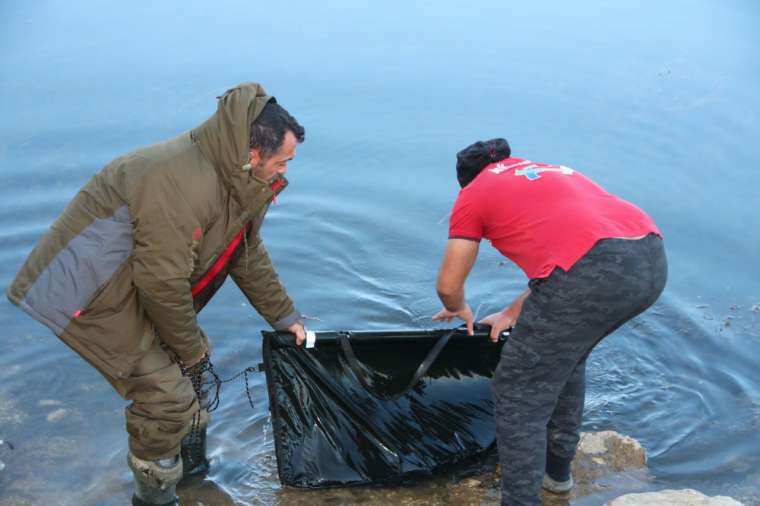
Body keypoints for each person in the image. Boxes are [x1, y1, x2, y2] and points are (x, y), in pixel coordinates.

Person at [6, 82, 307, 506]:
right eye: (282, 162)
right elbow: (161, 285)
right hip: (86, 294)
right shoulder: (180, 181)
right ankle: (154, 498)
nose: (285, 172)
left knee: (191, 374)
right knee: (166, 393)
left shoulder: (237, 181)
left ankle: (193, 478)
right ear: (253, 153)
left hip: (131, 284)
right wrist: (190, 351)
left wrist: (285, 317)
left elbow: (244, 252)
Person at [433, 138, 667, 506]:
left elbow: (448, 285)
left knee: (517, 392)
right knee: (568, 357)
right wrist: (513, 312)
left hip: (593, 273)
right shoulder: (549, 172)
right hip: (650, 258)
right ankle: (557, 478)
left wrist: (459, 306)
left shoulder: (474, 192)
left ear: (466, 179)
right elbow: (576, 252)